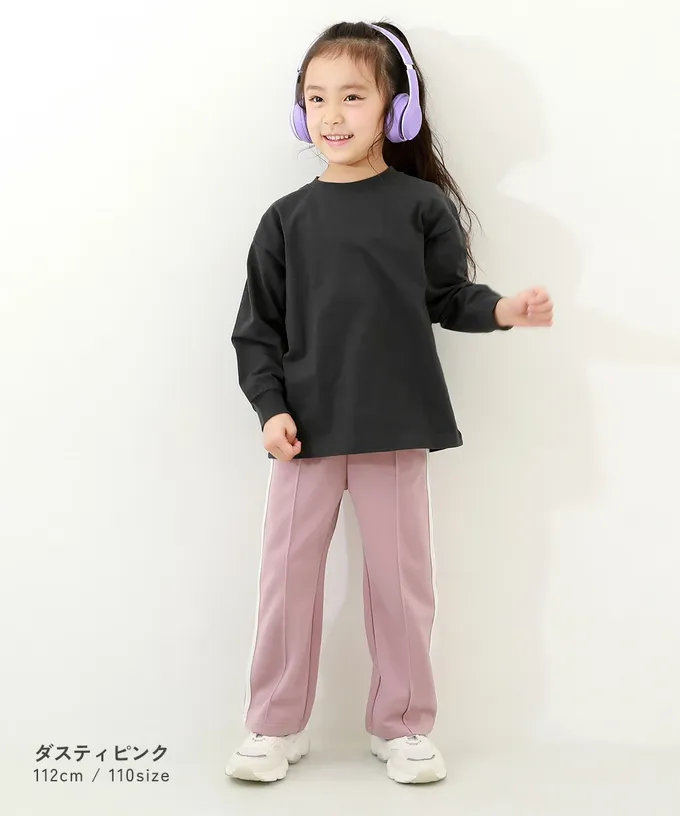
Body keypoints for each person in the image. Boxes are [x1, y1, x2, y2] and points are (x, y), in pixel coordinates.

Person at [226, 20, 553, 785]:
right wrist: (271, 409)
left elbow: (449, 296)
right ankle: (274, 724)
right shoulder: (285, 219)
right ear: (299, 112)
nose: (331, 115)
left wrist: (503, 310)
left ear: (395, 109)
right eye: (316, 98)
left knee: (402, 587)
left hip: (396, 427)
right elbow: (256, 331)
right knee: (287, 584)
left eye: (352, 96)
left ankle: (403, 725)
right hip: (304, 435)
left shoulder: (420, 206)